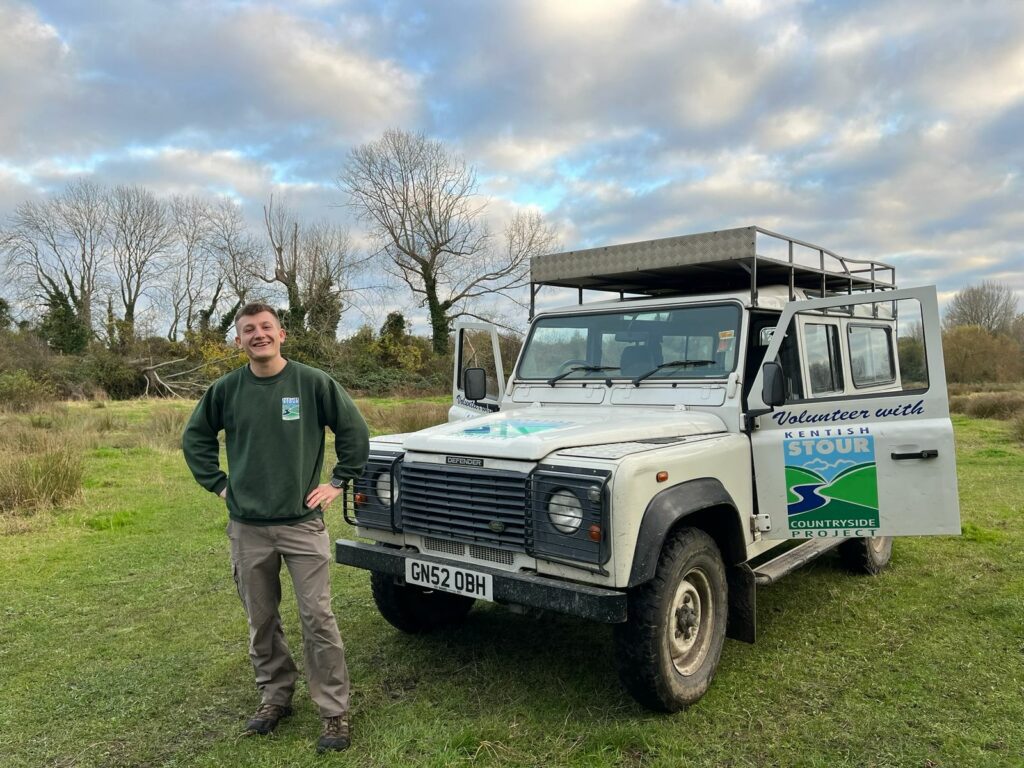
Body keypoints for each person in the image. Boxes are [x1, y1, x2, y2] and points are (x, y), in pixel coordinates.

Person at [182, 302, 369, 754]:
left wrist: (338, 482)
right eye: (249, 330)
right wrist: (220, 485)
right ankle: (275, 698)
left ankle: (333, 711)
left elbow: (353, 432)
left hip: (302, 525)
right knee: (261, 619)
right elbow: (196, 438)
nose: (258, 335)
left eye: (266, 327)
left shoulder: (312, 383)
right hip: (248, 529)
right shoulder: (225, 390)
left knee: (318, 619)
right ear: (239, 341)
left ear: (282, 334)